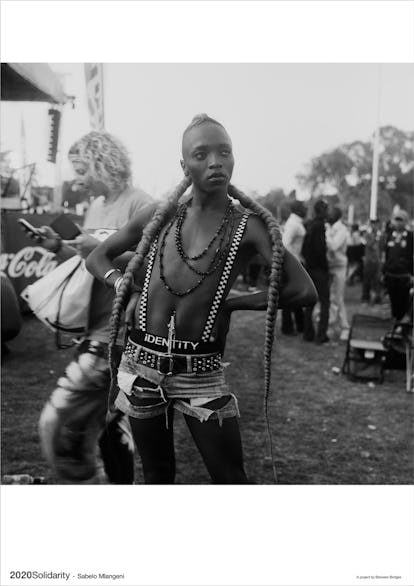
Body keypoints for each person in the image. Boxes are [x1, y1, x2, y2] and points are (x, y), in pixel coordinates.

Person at [86, 113, 317, 484]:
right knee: (157, 476)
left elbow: (303, 290)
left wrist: (233, 303)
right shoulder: (159, 216)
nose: (215, 162)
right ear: (184, 165)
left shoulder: (248, 225)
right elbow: (97, 257)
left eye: (224, 152)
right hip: (141, 365)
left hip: (202, 374)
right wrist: (121, 283)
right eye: (201, 154)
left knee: (230, 479)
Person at [35, 131, 153, 484]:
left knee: (60, 425)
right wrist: (60, 246)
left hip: (121, 337)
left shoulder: (141, 204)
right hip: (94, 329)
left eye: (82, 169)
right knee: (109, 432)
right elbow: (91, 263)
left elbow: (156, 265)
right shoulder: (95, 207)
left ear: (103, 163)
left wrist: (98, 249)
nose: (77, 179)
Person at [302, 198, 330, 344]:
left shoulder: (310, 224)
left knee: (311, 303)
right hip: (319, 269)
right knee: (324, 303)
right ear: (322, 210)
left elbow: (305, 248)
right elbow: (320, 250)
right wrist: (325, 267)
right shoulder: (319, 226)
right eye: (326, 209)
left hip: (310, 268)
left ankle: (308, 334)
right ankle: (321, 336)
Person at [281, 199, 307, 335]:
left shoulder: (296, 222)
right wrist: (292, 263)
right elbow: (285, 244)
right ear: (298, 209)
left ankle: (300, 325)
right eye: (304, 207)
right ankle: (287, 327)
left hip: (296, 262)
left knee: (296, 295)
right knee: (290, 296)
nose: (306, 209)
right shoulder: (293, 224)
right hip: (291, 264)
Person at [382, 209, 413, 321]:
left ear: (406, 222)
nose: (398, 223)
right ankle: (395, 323)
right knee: (393, 301)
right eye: (396, 220)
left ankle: (402, 326)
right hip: (391, 274)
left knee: (403, 302)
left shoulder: (410, 237)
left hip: (404, 275)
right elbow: (386, 255)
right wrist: (384, 271)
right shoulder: (390, 236)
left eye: (401, 220)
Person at [326, 206, 351, 341]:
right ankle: (330, 325)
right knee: (329, 297)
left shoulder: (342, 229)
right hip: (329, 266)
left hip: (340, 266)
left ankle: (345, 327)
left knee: (338, 298)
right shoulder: (327, 226)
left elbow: (334, 245)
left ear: (336, 215)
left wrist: (325, 235)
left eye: (330, 213)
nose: (327, 214)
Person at [361, 219, 382, 305]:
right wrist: (376, 238)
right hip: (369, 260)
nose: (375, 226)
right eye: (373, 224)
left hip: (377, 260)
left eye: (376, 224)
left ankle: (377, 298)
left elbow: (382, 246)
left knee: (377, 280)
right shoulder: (367, 234)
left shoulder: (380, 234)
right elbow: (369, 245)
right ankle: (365, 298)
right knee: (367, 280)